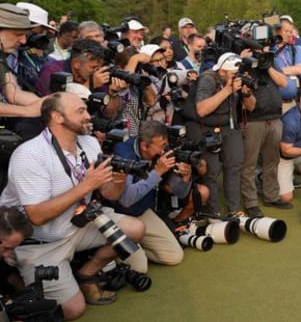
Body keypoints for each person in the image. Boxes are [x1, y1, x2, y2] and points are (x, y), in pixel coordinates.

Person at [0, 92, 145, 319]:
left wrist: (120, 178)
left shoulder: (89, 143)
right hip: (41, 241)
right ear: (57, 116)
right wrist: (86, 186)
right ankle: (17, 279)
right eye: (80, 111)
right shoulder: (30, 155)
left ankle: (86, 274)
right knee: (72, 310)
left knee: (136, 229)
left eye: (86, 110)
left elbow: (110, 194)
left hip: (78, 225)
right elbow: (36, 216)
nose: (89, 116)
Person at [107, 120, 189, 269]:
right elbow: (126, 200)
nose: (164, 151)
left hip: (142, 212)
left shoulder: (161, 155)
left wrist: (186, 177)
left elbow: (180, 193)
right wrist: (157, 172)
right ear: (144, 146)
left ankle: (137, 247)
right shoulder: (124, 154)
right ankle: (128, 250)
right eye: (161, 146)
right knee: (140, 268)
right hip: (120, 216)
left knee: (174, 256)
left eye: (165, 144)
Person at [187, 52, 255, 217]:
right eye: (232, 74)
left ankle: (234, 210)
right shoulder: (208, 79)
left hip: (229, 127)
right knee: (211, 171)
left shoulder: (235, 80)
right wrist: (227, 90)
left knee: (235, 165)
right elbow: (201, 110)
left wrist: (246, 93)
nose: (235, 77)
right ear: (222, 71)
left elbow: (251, 107)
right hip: (206, 128)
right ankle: (214, 212)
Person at [240, 51, 288, 217]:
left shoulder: (269, 63)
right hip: (253, 121)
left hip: (274, 118)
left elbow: (283, 82)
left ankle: (271, 196)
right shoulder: (244, 64)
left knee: (272, 161)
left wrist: (267, 66)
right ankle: (250, 202)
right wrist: (242, 60)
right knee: (249, 164)